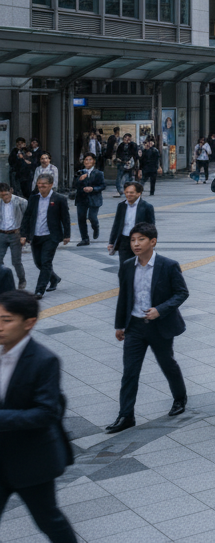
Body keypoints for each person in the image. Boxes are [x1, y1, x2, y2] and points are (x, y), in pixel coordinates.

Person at [0, 289, 78, 543]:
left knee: (49, 520)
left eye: (6, 320)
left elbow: (46, 413)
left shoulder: (44, 361)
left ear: (29, 323)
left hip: (31, 461)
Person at [107, 223, 188, 433]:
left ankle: (180, 399)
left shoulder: (168, 265)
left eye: (140, 239)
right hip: (134, 326)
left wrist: (160, 310)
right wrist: (119, 325)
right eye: (133, 240)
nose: (135, 244)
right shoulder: (126, 266)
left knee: (167, 364)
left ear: (153, 242)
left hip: (159, 326)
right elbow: (124, 297)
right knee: (130, 372)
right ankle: (126, 415)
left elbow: (181, 293)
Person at [20, 176, 70, 299]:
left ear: (51, 184)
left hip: (51, 236)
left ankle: (39, 290)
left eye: (44, 185)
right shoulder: (33, 198)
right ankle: (55, 279)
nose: (41, 188)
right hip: (36, 236)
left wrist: (67, 235)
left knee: (46, 262)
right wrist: (23, 234)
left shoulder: (59, 199)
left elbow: (65, 218)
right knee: (39, 263)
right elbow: (27, 217)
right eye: (39, 185)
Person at [107, 181, 155, 264]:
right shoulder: (121, 206)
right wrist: (111, 242)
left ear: (139, 193)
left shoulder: (147, 207)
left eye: (132, 192)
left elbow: (151, 227)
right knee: (124, 265)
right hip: (124, 240)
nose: (128, 194)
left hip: (139, 241)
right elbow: (116, 224)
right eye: (127, 192)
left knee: (139, 265)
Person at [73, 152, 105, 246]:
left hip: (94, 198)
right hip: (81, 198)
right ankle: (85, 238)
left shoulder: (99, 173)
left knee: (92, 217)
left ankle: (96, 227)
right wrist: (80, 180)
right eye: (86, 160)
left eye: (90, 160)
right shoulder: (79, 172)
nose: (87, 162)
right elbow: (73, 185)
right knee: (81, 218)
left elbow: (102, 185)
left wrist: (93, 189)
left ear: (94, 161)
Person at [0, 185, 27, 290]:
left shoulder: (21, 202)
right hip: (2, 233)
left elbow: (26, 219)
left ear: (11, 191)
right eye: (2, 195)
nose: (4, 197)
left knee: (16, 261)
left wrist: (24, 235)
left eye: (6, 194)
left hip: (16, 234)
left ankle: (22, 280)